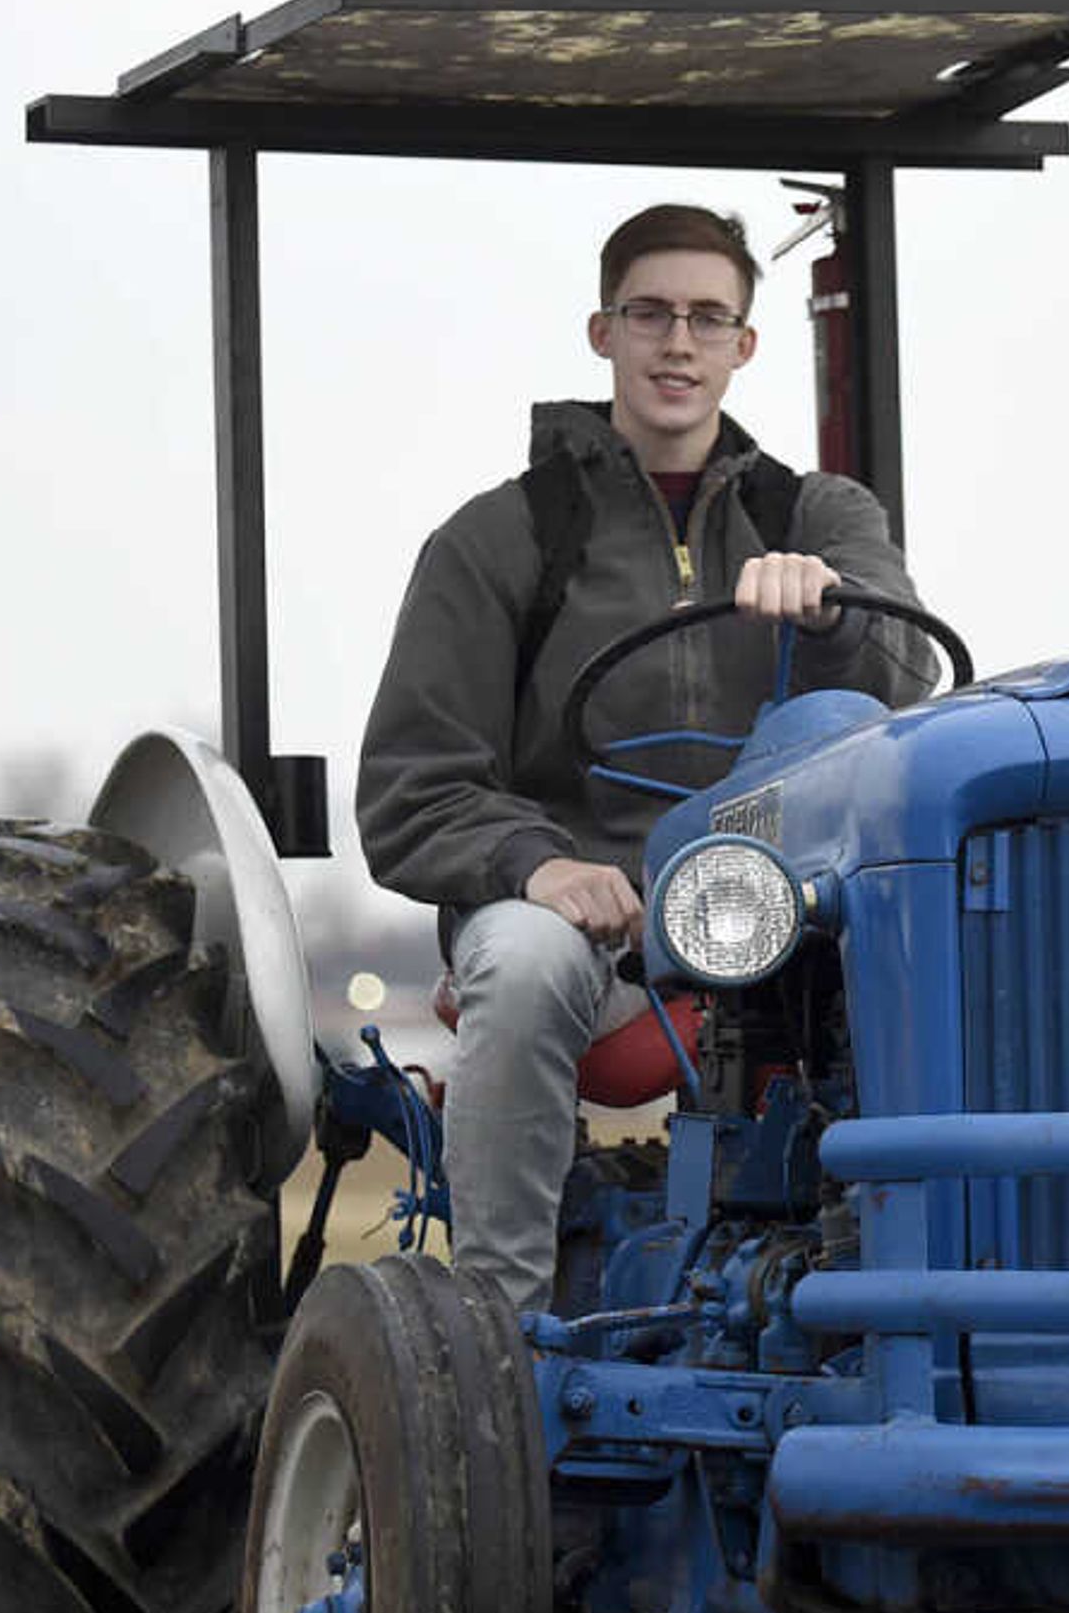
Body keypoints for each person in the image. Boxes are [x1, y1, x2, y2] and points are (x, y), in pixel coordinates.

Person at [357, 202, 932, 1316]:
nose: (679, 343)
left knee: (941, 956)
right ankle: (503, 1333)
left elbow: (912, 677)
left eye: (707, 319)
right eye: (652, 313)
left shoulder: (819, 515)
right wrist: (536, 864)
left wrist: (831, 612)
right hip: (596, 929)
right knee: (520, 963)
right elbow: (410, 787)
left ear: (743, 347)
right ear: (603, 331)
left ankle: (909, 1301)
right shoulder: (503, 537)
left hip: (786, 925)